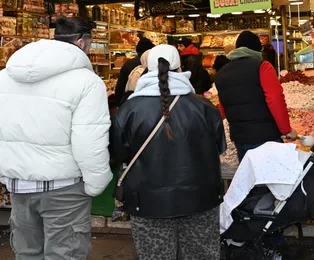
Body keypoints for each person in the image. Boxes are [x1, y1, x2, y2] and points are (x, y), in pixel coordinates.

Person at [0, 16, 112, 260]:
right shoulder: (88, 82)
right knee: (65, 254)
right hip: (65, 187)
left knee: (27, 253)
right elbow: (89, 141)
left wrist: (3, 174)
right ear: (82, 43)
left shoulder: (4, 77)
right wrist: (96, 183)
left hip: (19, 184)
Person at [110, 44, 226, 260]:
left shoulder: (128, 110)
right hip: (201, 199)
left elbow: (119, 155)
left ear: (147, 70)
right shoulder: (205, 107)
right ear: (181, 70)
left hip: (147, 202)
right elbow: (219, 148)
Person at [215, 31, 297, 162]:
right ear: (257, 49)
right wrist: (286, 129)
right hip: (266, 137)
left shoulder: (221, 73)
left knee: (251, 178)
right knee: (273, 179)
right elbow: (275, 100)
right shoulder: (263, 67)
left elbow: (223, 109)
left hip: (240, 138)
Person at [115, 37, 155, 105]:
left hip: (128, 103)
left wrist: (119, 103)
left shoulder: (128, 63)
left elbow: (120, 86)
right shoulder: (152, 64)